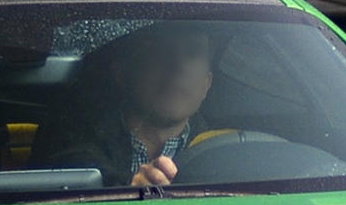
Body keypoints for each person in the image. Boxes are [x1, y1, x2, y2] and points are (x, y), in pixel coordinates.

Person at [35, 22, 217, 187]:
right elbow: (75, 175)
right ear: (122, 73)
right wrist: (130, 189)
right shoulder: (71, 134)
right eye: (163, 51)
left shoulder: (222, 147)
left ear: (206, 86)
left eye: (193, 54)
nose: (180, 66)